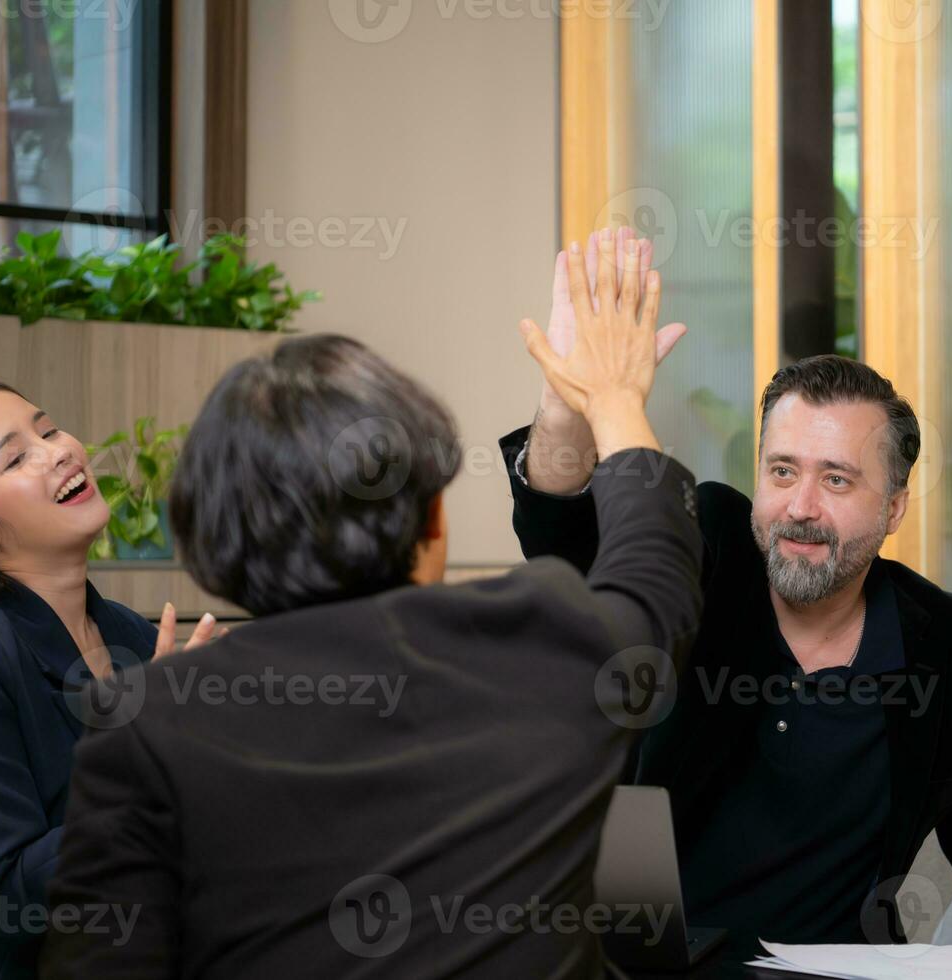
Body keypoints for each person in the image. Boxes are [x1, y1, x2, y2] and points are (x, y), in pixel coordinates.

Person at [39, 234, 704, 978]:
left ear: (216, 542)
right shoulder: (541, 645)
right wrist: (612, 401)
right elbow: (657, 575)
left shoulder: (146, 729)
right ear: (433, 523)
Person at [502, 229, 952, 960]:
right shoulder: (705, 547)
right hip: (652, 967)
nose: (800, 505)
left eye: (836, 479)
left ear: (894, 508)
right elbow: (565, 540)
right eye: (780, 471)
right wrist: (563, 405)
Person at [0, 382, 219, 979]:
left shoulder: (131, 634)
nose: (58, 451)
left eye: (50, 429)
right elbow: (5, 903)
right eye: (14, 456)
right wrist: (144, 755)